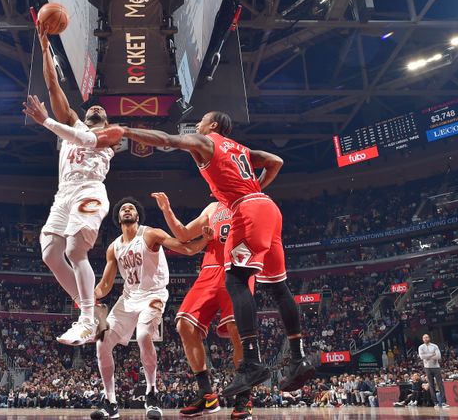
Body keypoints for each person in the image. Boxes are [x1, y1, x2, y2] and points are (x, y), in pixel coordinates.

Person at [121, 111, 314, 396]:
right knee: (278, 287)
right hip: (269, 208)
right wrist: (257, 188)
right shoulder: (241, 149)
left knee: (235, 281)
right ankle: (298, 358)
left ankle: (250, 362)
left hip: (247, 210)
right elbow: (276, 161)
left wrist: (125, 131)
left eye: (201, 120)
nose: (197, 124)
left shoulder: (207, 142)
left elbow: (165, 139)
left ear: (212, 126)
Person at [22, 27, 125, 346]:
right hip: (64, 194)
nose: (96, 108)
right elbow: (52, 83)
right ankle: (91, 310)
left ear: (106, 120)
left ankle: (85, 320)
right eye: (93, 107)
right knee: (51, 254)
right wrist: (44, 44)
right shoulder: (72, 122)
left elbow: (83, 139)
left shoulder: (112, 134)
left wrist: (48, 124)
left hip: (90, 191)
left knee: (74, 249)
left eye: (101, 110)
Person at [90, 197, 211, 420]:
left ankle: (152, 394)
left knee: (144, 335)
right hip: (128, 298)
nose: (127, 209)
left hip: (153, 295)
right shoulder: (113, 247)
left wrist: (205, 239)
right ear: (118, 218)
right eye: (123, 208)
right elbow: (105, 285)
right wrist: (90, 295)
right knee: (101, 340)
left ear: (137, 216)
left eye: (132, 208)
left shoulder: (150, 234)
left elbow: (185, 248)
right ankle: (110, 402)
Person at [150, 191, 252, 419]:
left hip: (239, 268)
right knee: (183, 324)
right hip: (210, 270)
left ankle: (244, 398)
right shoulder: (211, 209)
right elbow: (183, 234)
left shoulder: (248, 202)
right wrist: (167, 210)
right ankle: (208, 395)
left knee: (238, 331)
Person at [417, 334, 447, 408]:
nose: (426, 338)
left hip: (436, 367)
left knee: (440, 384)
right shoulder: (421, 347)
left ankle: (443, 402)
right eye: (424, 338)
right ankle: (435, 402)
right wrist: (431, 354)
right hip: (427, 367)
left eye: (427, 337)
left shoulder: (434, 346)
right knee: (431, 385)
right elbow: (421, 357)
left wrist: (427, 356)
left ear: (429, 338)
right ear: (422, 339)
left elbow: (438, 356)